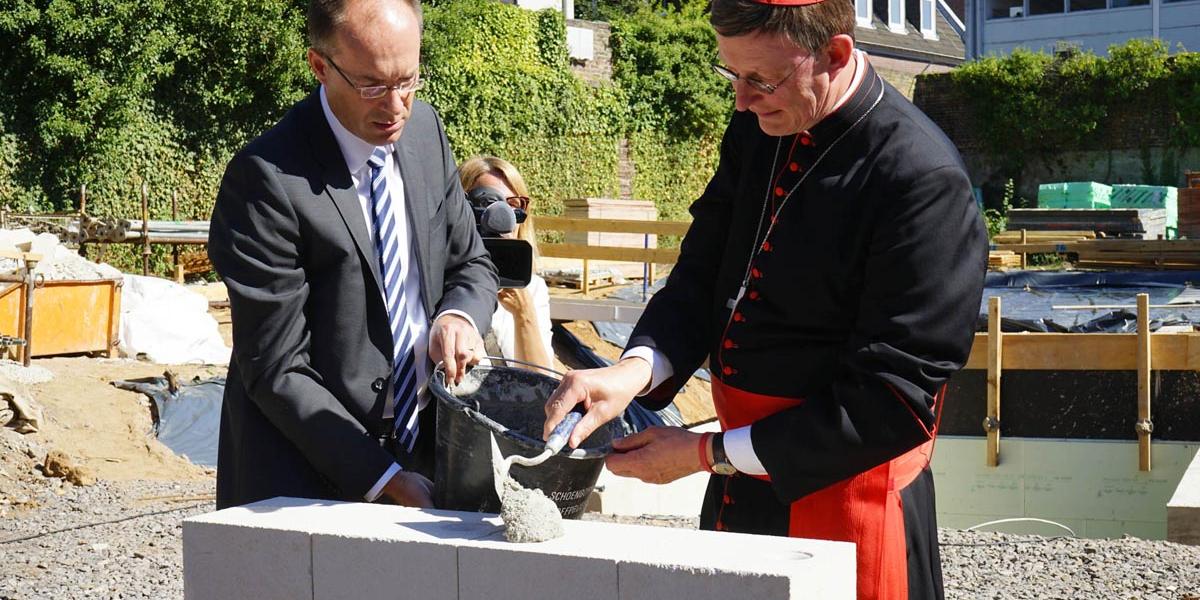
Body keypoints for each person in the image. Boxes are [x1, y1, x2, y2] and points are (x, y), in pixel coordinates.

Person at [543, 0, 987, 598]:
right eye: (733, 75)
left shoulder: (922, 180)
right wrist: (631, 371)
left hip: (847, 500)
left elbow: (892, 403)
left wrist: (704, 453)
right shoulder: (760, 122)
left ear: (835, 54)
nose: (741, 101)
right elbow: (704, 273)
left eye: (760, 79)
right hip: (740, 477)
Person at [208, 0, 498, 510]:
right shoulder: (267, 178)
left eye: (408, 81)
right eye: (372, 85)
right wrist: (383, 478)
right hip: (309, 470)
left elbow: (470, 264)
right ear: (319, 66)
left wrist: (458, 317)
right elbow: (276, 368)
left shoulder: (426, 133)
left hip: (428, 448)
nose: (395, 106)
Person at [458, 156, 554, 369]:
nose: (503, 218)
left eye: (513, 205)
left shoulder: (532, 288)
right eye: (487, 203)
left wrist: (524, 315)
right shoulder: (436, 281)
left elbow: (541, 383)